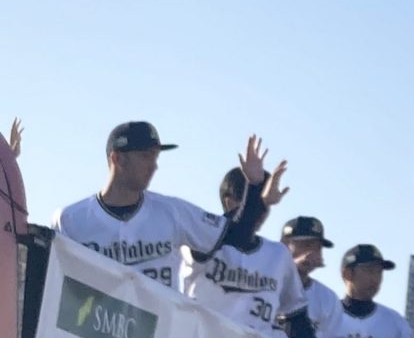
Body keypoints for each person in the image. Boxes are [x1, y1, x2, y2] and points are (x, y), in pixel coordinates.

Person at [53, 122, 284, 290]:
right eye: (146, 156)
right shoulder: (70, 219)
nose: (154, 166)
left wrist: (253, 187)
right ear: (118, 159)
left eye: (156, 157)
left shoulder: (172, 212)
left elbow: (236, 236)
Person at [181, 166, 353, 338]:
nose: (262, 211)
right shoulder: (203, 240)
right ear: (229, 202)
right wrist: (255, 194)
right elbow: (234, 231)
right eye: (256, 202)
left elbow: (294, 316)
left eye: (265, 205)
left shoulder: (278, 255)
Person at [280, 215, 344, 338]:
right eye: (307, 245)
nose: (312, 252)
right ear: (285, 245)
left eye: (318, 248)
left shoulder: (328, 299)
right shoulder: (266, 282)